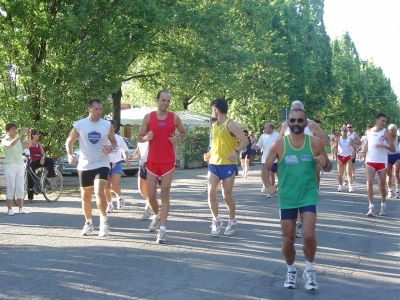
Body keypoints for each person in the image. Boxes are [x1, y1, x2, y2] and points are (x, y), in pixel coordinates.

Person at [262, 108, 332, 290]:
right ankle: (291, 270)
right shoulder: (279, 145)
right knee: (288, 240)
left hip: (308, 193)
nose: (296, 124)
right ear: (288, 123)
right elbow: (266, 167)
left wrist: (325, 164)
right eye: (292, 121)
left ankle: (309, 269)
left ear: (306, 123)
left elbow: (329, 166)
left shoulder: (315, 143)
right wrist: (268, 185)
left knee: (308, 235)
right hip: (287, 196)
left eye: (300, 121)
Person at [138, 90, 187, 244]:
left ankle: (162, 232)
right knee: (151, 195)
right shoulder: (148, 117)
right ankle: (158, 215)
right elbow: (139, 137)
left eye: (168, 101)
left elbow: (183, 133)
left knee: (165, 194)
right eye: (163, 100)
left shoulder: (174, 117)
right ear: (157, 100)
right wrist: (146, 137)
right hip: (152, 162)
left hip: (167, 162)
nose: (165, 103)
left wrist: (177, 138)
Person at [65, 99, 117, 236]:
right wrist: (70, 154)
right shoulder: (80, 124)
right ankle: (88, 223)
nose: (99, 112)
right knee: (85, 196)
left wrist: (111, 148)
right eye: (96, 109)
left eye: (100, 109)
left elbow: (114, 142)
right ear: (89, 109)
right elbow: (69, 141)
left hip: (102, 163)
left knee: (99, 191)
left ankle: (104, 222)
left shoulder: (107, 125)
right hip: (85, 164)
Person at [280, 100, 329, 238]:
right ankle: (295, 222)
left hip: (308, 161)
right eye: (292, 110)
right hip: (289, 164)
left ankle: (301, 222)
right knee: (292, 191)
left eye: (298, 109)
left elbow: (324, 139)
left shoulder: (311, 124)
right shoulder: (285, 124)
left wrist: (317, 152)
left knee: (305, 187)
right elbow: (278, 140)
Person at [203, 98, 248, 236]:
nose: (213, 112)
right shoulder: (215, 125)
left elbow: (245, 140)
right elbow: (217, 144)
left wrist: (235, 152)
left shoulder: (231, 124)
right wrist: (210, 153)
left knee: (226, 195)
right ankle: (216, 220)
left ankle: (232, 220)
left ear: (216, 109)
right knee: (211, 192)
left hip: (228, 164)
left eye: (213, 109)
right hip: (214, 164)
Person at [359, 113, 395, 217]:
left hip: (382, 161)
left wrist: (383, 146)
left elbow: (393, 148)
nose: (384, 123)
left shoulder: (386, 133)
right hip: (370, 160)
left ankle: (383, 206)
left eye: (385, 121)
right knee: (369, 183)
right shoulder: (369, 132)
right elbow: (367, 145)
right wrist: (363, 152)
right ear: (377, 120)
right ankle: (371, 207)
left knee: (381, 186)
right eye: (382, 121)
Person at [2, 124, 31, 215]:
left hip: (19, 164)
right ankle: (10, 209)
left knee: (20, 187)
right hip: (10, 165)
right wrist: (20, 134)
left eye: (15, 129)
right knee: (11, 187)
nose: (14, 130)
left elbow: (29, 144)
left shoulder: (19, 141)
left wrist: (29, 135)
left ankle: (21, 208)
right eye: (12, 129)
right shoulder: (5, 139)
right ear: (7, 131)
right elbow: (11, 144)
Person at [105, 120, 130, 213]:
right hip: (105, 164)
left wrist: (126, 159)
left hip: (117, 164)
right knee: (106, 187)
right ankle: (109, 205)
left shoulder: (119, 138)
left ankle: (120, 197)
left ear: (114, 128)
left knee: (114, 186)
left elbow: (125, 150)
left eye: (111, 127)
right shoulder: (103, 138)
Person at [27, 130, 56, 203]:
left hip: (39, 161)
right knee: (31, 177)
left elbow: (42, 152)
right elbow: (27, 147)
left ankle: (50, 177)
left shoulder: (38, 143)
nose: (38, 136)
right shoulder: (28, 141)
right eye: (37, 134)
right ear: (33, 135)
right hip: (31, 162)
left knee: (50, 160)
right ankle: (30, 197)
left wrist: (42, 158)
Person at [253, 122, 279, 197]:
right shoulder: (263, 136)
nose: (264, 129)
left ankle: (271, 190)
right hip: (265, 159)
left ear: (271, 128)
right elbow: (259, 145)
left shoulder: (277, 135)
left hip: (274, 159)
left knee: (271, 174)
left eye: (265, 128)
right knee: (266, 174)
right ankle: (267, 186)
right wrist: (255, 147)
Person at [131, 134, 152, 219]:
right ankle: (151, 201)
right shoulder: (140, 141)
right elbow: (137, 153)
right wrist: (130, 157)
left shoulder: (152, 140)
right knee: (142, 190)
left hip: (152, 165)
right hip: (143, 165)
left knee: (150, 189)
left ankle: (148, 210)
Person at [332, 126, 358, 192]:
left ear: (347, 131)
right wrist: (333, 154)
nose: (344, 132)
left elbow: (355, 147)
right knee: (340, 173)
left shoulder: (350, 139)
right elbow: (334, 146)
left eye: (345, 130)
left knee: (348, 172)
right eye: (342, 130)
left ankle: (350, 186)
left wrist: (354, 153)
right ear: (341, 131)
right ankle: (340, 186)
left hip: (348, 157)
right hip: (340, 156)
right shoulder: (338, 139)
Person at [386, 124, 400, 198]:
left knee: (396, 173)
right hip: (387, 156)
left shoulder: (398, 137)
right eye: (390, 130)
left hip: (396, 155)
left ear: (395, 130)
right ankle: (390, 190)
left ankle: (397, 191)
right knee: (388, 175)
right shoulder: (385, 137)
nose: (391, 131)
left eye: (393, 130)